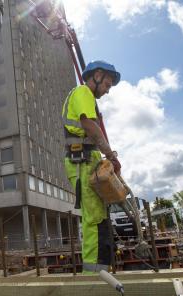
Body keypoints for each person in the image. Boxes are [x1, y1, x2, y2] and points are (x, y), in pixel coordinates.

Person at [62, 60, 122, 273]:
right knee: (95, 218)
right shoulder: (83, 92)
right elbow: (90, 126)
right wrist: (111, 156)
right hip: (82, 162)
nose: (107, 91)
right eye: (107, 84)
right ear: (97, 75)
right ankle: (95, 275)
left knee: (99, 216)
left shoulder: (86, 97)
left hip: (86, 160)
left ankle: (101, 269)